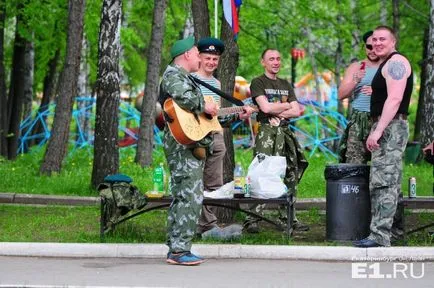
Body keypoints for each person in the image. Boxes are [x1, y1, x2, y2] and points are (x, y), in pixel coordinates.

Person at [159, 36, 219, 265]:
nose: (199, 57)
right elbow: (184, 98)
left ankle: (176, 247)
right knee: (190, 195)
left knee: (184, 194)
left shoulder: (183, 77)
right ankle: (179, 250)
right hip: (180, 144)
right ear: (186, 55)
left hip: (186, 141)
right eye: (196, 53)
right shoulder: (174, 75)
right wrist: (205, 106)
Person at [353, 26, 413, 248]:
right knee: (391, 181)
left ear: (393, 41)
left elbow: (395, 99)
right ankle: (395, 233)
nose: (377, 43)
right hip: (387, 124)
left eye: (382, 39)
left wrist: (378, 131)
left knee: (383, 181)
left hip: (390, 126)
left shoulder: (396, 63)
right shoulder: (387, 63)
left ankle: (379, 236)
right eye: (374, 40)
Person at [192, 37, 254, 239]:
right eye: (208, 58)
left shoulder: (216, 83)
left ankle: (208, 226)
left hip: (215, 137)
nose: (211, 62)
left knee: (213, 185)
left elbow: (217, 116)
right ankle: (197, 224)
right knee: (194, 181)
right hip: (194, 137)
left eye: (215, 59)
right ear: (199, 57)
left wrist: (238, 113)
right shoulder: (189, 80)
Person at [243, 48, 309, 233]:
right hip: (267, 132)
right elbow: (264, 107)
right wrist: (286, 105)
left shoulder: (286, 84)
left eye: (278, 59)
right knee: (261, 171)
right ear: (263, 62)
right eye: (271, 59)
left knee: (290, 171)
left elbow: (297, 111)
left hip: (285, 131)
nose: (276, 62)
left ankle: (288, 217)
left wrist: (277, 110)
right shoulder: (258, 82)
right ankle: (253, 218)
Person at [338, 31, 380, 164]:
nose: (372, 50)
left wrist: (378, 90)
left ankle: (376, 185)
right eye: (369, 47)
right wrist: (355, 80)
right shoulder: (356, 67)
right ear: (364, 47)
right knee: (354, 160)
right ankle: (355, 185)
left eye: (375, 47)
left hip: (381, 119)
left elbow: (399, 94)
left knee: (381, 162)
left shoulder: (388, 66)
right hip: (359, 119)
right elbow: (341, 95)